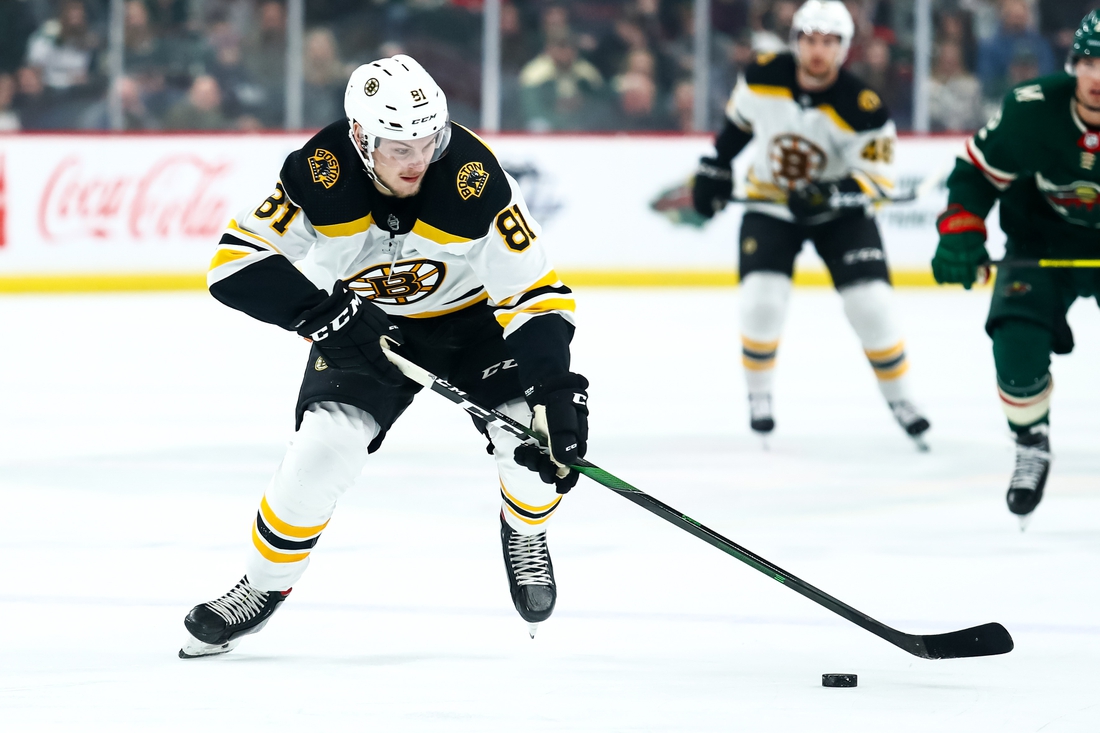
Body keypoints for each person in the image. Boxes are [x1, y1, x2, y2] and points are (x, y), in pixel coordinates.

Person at [180, 55, 587, 657]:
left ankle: (525, 531)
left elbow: (534, 293)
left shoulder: (475, 179)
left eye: (429, 140)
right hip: (362, 324)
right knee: (320, 454)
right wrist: (327, 317)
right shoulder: (318, 173)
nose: (419, 159)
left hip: (474, 325)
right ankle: (260, 589)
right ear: (361, 138)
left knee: (530, 443)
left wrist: (556, 390)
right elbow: (233, 266)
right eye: (400, 147)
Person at [690, 0, 930, 447]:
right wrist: (716, 166)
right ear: (796, 40)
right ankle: (758, 397)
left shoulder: (863, 107)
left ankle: (901, 399)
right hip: (772, 203)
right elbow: (739, 124)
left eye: (828, 42)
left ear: (844, 48)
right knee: (762, 301)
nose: (817, 51)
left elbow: (875, 182)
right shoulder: (762, 74)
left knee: (872, 305)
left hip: (840, 214)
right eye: (809, 39)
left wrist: (830, 193)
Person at [931, 10, 1100, 525]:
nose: (1097, 77)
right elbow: (976, 174)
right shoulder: (1033, 110)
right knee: (1015, 343)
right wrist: (962, 227)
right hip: (1039, 242)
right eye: (1090, 61)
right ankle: (1031, 441)